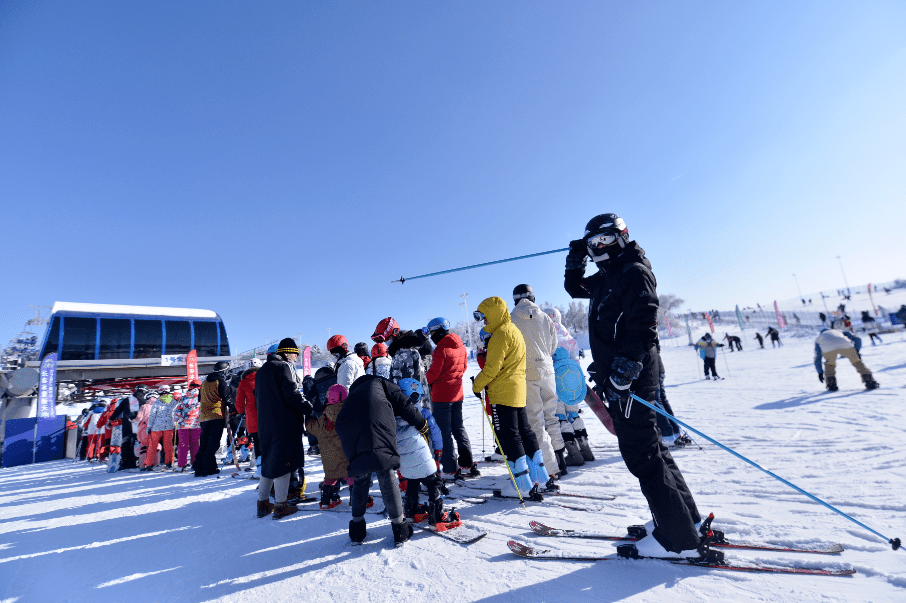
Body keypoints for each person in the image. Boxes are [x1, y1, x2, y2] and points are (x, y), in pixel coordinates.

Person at [563, 212, 702, 556]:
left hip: (633, 378)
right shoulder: (607, 276)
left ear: (622, 237)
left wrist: (625, 373)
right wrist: (576, 257)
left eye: (606, 240)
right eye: (594, 243)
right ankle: (685, 520)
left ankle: (677, 538)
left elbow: (644, 325)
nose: (600, 248)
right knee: (651, 448)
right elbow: (573, 287)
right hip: (620, 378)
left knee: (641, 454)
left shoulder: (633, 271)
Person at [335, 373, 431, 546]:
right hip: (377, 426)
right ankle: (400, 529)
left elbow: (340, 421)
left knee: (360, 479)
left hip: (350, 433)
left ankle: (357, 531)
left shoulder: (353, 394)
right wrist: (422, 424)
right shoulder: (381, 383)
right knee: (386, 476)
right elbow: (404, 403)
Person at [471, 296, 552, 499]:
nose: (484, 321)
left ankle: (521, 484)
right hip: (517, 389)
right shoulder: (514, 330)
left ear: (494, 313)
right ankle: (539, 477)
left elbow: (492, 368)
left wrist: (477, 384)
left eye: (485, 316)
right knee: (525, 432)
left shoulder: (500, 335)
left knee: (509, 435)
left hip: (503, 392)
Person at [254, 338, 313, 519]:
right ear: (287, 353)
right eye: (295, 355)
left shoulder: (262, 371)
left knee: (269, 462)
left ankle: (263, 504)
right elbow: (292, 394)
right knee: (284, 464)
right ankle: (281, 505)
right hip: (284, 424)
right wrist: (309, 408)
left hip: (265, 424)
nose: (296, 359)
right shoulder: (284, 367)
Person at [509, 285, 561, 482]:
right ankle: (561, 459)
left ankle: (550, 467)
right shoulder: (545, 317)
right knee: (552, 417)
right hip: (547, 370)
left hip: (527, 373)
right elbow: (553, 344)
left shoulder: (512, 319)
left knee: (536, 422)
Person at [395, 378, 461, 530]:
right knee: (434, 483)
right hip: (423, 458)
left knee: (412, 481)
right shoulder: (423, 413)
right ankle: (437, 516)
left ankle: (411, 512)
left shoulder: (394, 416)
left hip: (405, 461)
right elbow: (436, 433)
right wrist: (439, 449)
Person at [422, 316, 477, 480]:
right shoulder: (460, 346)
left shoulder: (441, 349)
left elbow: (433, 374)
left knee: (444, 432)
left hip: (441, 396)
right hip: (457, 394)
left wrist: (425, 379)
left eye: (431, 332)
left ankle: (450, 467)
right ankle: (467, 461)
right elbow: (465, 367)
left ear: (438, 330)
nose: (431, 336)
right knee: (458, 428)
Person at [306, 384, 352, 510]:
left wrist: (308, 417)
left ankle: (326, 501)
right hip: (347, 458)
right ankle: (357, 500)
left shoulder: (324, 417)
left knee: (330, 478)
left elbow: (312, 428)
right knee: (351, 478)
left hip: (329, 460)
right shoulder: (349, 413)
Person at [373, 317, 433, 398]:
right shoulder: (407, 350)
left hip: (411, 404)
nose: (385, 343)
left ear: (394, 333)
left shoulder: (404, 353)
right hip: (420, 401)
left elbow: (405, 386)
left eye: (386, 338)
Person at [194, 361, 231, 477]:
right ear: (224, 371)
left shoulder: (204, 383)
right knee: (213, 443)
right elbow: (227, 399)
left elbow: (199, 399)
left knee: (204, 442)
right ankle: (207, 469)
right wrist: (235, 409)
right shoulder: (221, 381)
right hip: (216, 415)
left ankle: (199, 468)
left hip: (204, 417)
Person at [814, 328, 879, 391]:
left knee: (829, 364)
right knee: (857, 362)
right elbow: (857, 339)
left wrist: (820, 372)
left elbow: (818, 357)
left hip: (828, 347)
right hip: (844, 343)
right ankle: (870, 381)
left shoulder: (819, 338)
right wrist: (856, 351)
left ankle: (831, 384)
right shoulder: (838, 331)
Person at [234, 360, 261, 470]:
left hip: (252, 416)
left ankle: (259, 468)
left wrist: (241, 412)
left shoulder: (243, 382)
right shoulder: (266, 378)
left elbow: (239, 402)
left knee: (257, 443)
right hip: (268, 415)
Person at [143, 385, 177, 471]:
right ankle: (169, 462)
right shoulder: (174, 402)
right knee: (168, 445)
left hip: (156, 427)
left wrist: (149, 427)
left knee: (152, 446)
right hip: (169, 426)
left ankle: (149, 464)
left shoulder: (157, 402)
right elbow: (176, 414)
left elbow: (152, 416)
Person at [172, 382, 201, 472]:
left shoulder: (183, 398)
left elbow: (176, 412)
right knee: (195, 445)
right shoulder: (201, 397)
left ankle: (181, 465)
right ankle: (195, 464)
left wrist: (179, 418)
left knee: (183, 445)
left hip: (183, 425)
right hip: (196, 424)